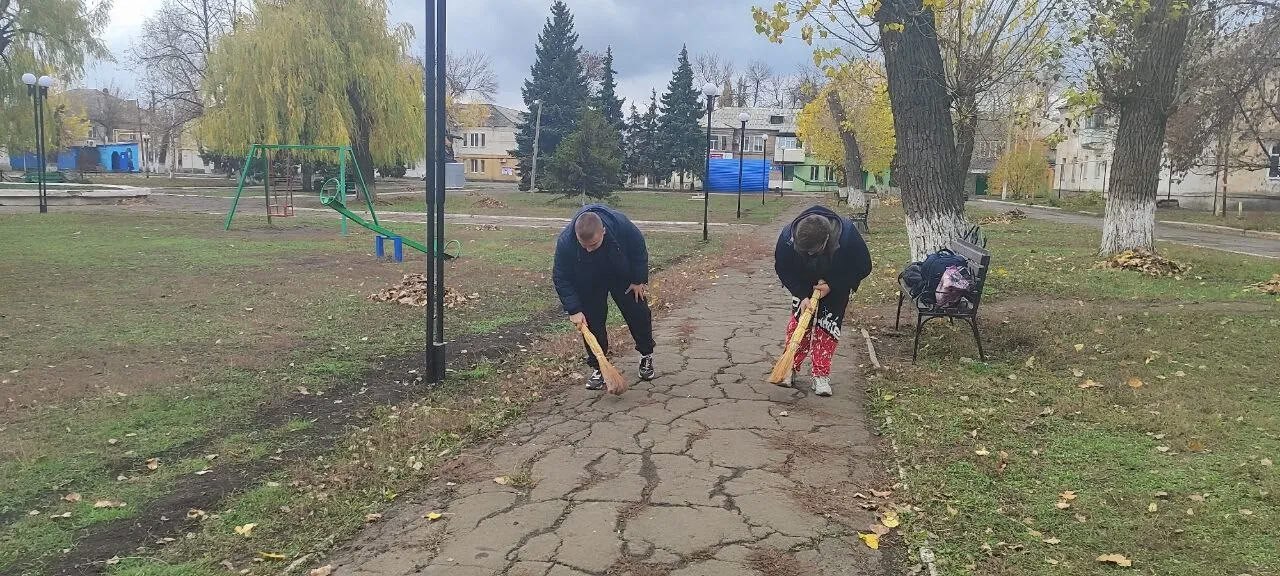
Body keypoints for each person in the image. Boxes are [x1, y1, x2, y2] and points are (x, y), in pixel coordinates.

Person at [553, 205, 656, 389]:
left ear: (604, 232)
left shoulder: (621, 225)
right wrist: (574, 309)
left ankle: (646, 355)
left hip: (621, 275)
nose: (588, 250)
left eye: (593, 245)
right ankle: (599, 367)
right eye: (583, 246)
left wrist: (638, 279)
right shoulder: (566, 242)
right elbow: (561, 277)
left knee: (638, 312)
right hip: (589, 280)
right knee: (592, 322)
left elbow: (638, 247)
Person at [774, 205, 873, 396]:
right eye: (804, 251)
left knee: (827, 328)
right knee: (798, 327)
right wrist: (801, 294)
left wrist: (833, 284)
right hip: (804, 284)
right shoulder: (788, 236)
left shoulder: (847, 235)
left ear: (826, 239)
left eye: (813, 251)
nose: (809, 255)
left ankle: (821, 375)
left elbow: (863, 267)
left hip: (837, 283)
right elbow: (783, 268)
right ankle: (789, 368)